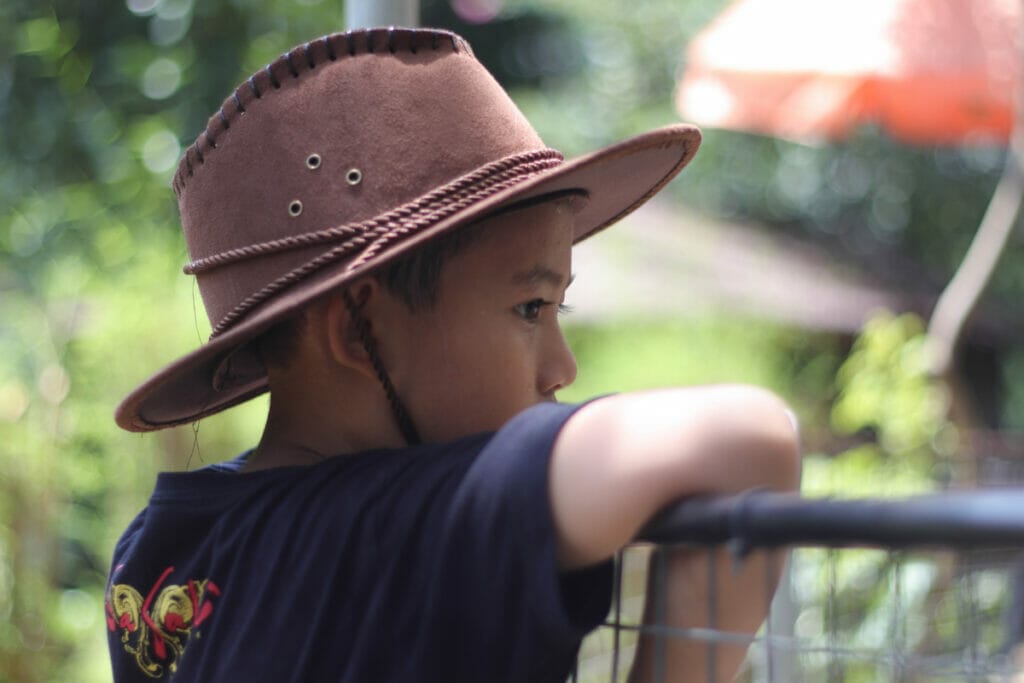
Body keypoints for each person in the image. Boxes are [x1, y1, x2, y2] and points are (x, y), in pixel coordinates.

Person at [105, 27, 800, 682]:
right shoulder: (403, 531)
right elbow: (748, 441)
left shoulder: (154, 552)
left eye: (560, 310)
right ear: (355, 330)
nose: (563, 368)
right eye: (530, 308)